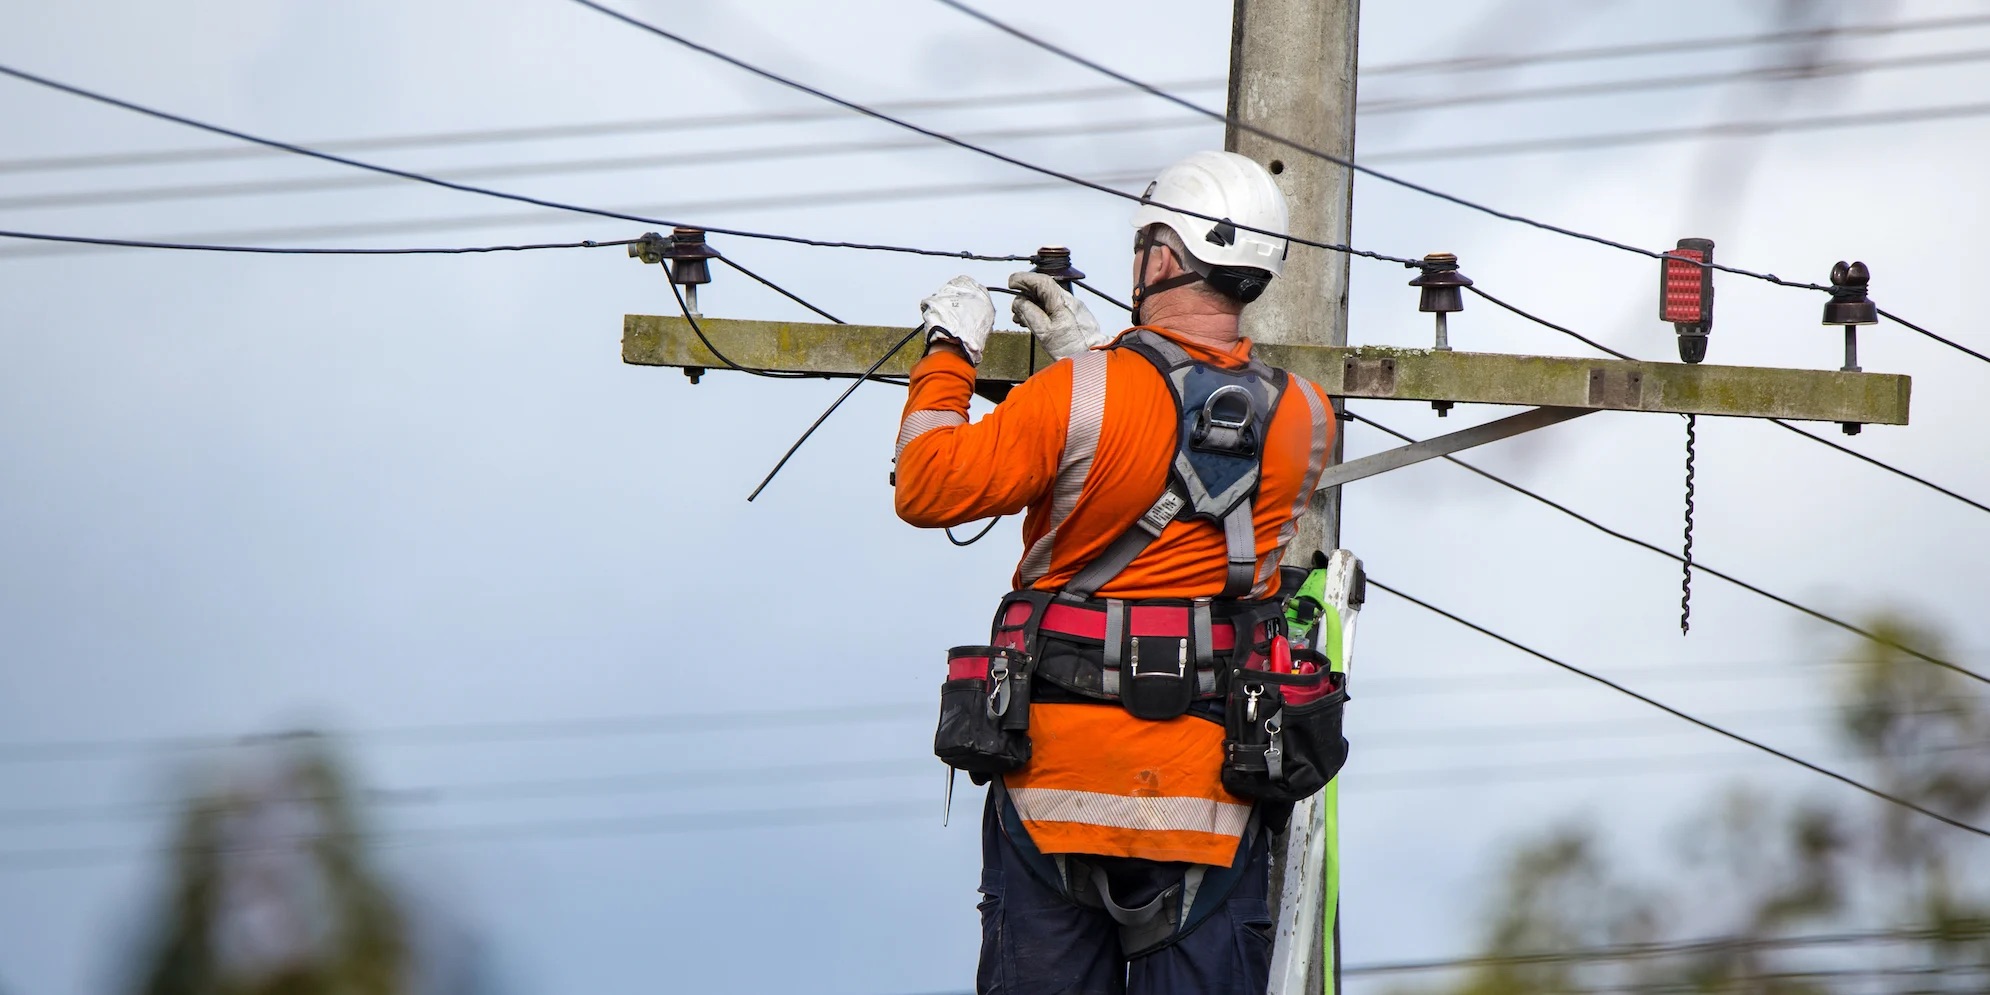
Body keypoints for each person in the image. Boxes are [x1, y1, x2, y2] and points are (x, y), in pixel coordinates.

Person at [894, 151, 1340, 995]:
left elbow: (927, 483)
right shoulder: (1307, 417)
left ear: (1164, 257)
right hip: (1212, 807)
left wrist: (950, 350)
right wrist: (1098, 354)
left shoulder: (1075, 396)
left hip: (1052, 797)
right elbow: (1193, 435)